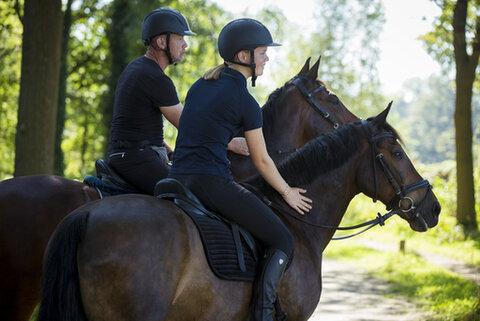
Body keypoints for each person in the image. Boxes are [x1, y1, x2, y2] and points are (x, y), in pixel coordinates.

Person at [169, 18, 312, 321]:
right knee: (283, 239)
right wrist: (287, 192)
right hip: (212, 184)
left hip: (175, 178)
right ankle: (262, 315)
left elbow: (202, 132)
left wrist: (228, 142)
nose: (267, 59)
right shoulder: (246, 101)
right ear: (243, 56)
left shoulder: (198, 86)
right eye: (262, 52)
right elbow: (261, 161)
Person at [106, 8, 248, 195]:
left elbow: (135, 127)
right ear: (161, 41)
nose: (185, 45)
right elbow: (189, 126)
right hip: (137, 159)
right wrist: (230, 142)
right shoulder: (155, 77)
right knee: (195, 196)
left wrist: (170, 152)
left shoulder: (136, 67)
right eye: (180, 38)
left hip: (126, 155)